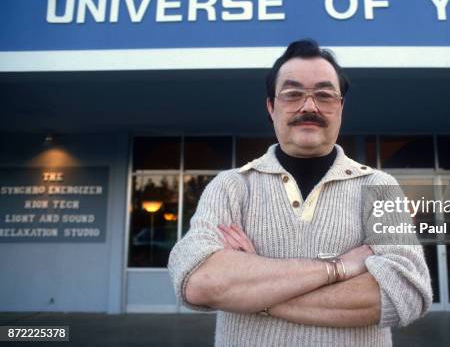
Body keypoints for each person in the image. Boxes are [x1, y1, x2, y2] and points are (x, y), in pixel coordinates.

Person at [168, 39, 432, 346]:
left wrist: (254, 290)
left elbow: (405, 293)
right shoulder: (230, 187)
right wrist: (339, 268)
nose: (309, 106)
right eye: (293, 94)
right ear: (271, 106)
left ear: (341, 107)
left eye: (324, 95)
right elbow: (199, 281)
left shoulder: (379, 187)